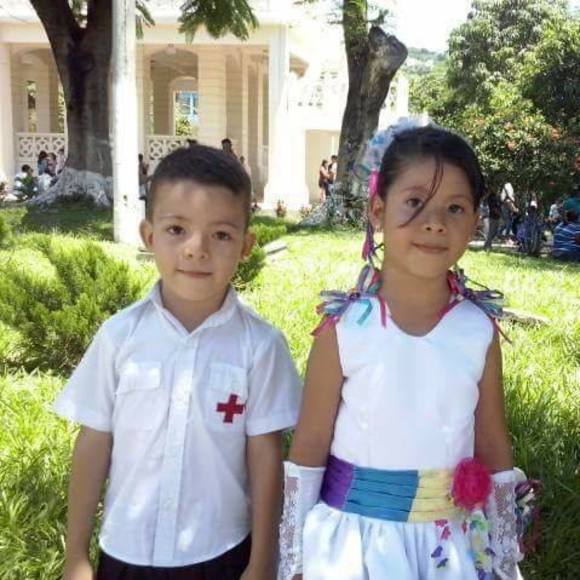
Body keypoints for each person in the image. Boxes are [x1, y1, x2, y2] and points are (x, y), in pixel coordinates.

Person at [279, 122, 525, 580]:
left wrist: (504, 553)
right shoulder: (344, 328)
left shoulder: (477, 331)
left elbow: (492, 443)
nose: (435, 222)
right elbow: (309, 447)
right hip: (355, 547)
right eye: (414, 202)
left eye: (455, 208)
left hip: (449, 550)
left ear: (474, 222)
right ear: (378, 210)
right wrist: (293, 559)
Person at [54, 145, 302, 580]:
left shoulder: (260, 346)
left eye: (220, 235)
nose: (196, 249)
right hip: (125, 551)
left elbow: (266, 455)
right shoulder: (119, 337)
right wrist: (76, 554)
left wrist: (263, 560)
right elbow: (94, 442)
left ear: (246, 246)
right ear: (149, 236)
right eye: (176, 230)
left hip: (222, 553)